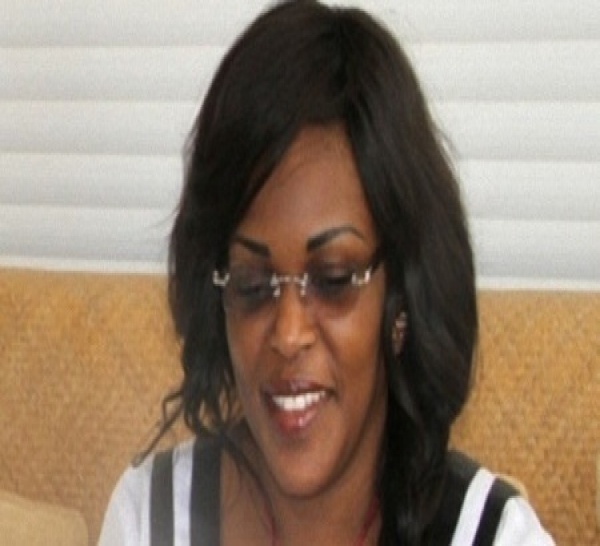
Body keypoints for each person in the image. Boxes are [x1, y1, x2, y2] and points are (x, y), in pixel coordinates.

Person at [99, 1, 554, 544]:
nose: (289, 333)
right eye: (252, 285)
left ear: (400, 297)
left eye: (333, 279)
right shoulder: (150, 519)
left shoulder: (490, 535)